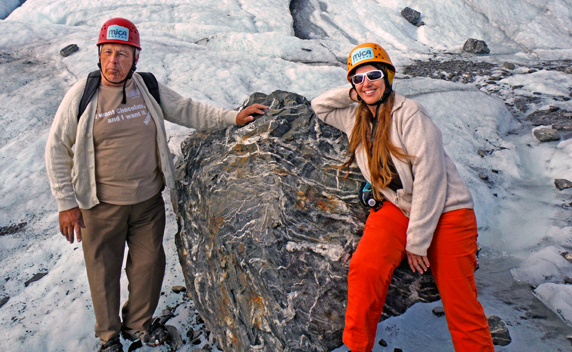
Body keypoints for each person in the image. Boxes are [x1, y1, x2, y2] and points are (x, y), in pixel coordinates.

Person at [45, 18, 267, 352]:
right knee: (103, 272)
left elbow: (186, 109)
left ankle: (137, 326)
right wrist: (66, 204)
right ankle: (108, 337)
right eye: (107, 52)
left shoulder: (146, 87)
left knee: (149, 266)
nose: (113, 62)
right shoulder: (83, 95)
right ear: (98, 54)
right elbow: (57, 148)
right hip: (100, 205)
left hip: (148, 201)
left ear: (135, 57)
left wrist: (231, 118)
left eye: (122, 54)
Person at [311, 43, 494, 352]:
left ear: (388, 77)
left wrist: (417, 242)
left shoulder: (410, 113)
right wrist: (353, 94)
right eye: (358, 78)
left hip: (448, 211)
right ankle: (358, 347)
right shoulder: (355, 118)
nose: (366, 82)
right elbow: (320, 106)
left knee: (460, 302)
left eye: (373, 74)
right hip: (398, 207)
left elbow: (430, 177)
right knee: (364, 271)